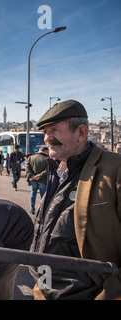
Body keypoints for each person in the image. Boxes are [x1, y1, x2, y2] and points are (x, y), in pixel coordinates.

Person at [29, 99, 121, 300]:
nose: (47, 138)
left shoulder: (114, 170)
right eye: (44, 132)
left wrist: (110, 295)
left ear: (81, 133)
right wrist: (40, 289)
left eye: (54, 130)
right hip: (45, 288)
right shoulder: (56, 170)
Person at [25, 147, 49, 214]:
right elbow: (47, 170)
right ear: (45, 150)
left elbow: (27, 168)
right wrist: (40, 175)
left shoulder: (31, 157)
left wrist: (31, 175)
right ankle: (43, 209)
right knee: (43, 195)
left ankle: (32, 208)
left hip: (33, 180)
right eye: (48, 151)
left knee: (33, 194)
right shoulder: (47, 159)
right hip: (42, 180)